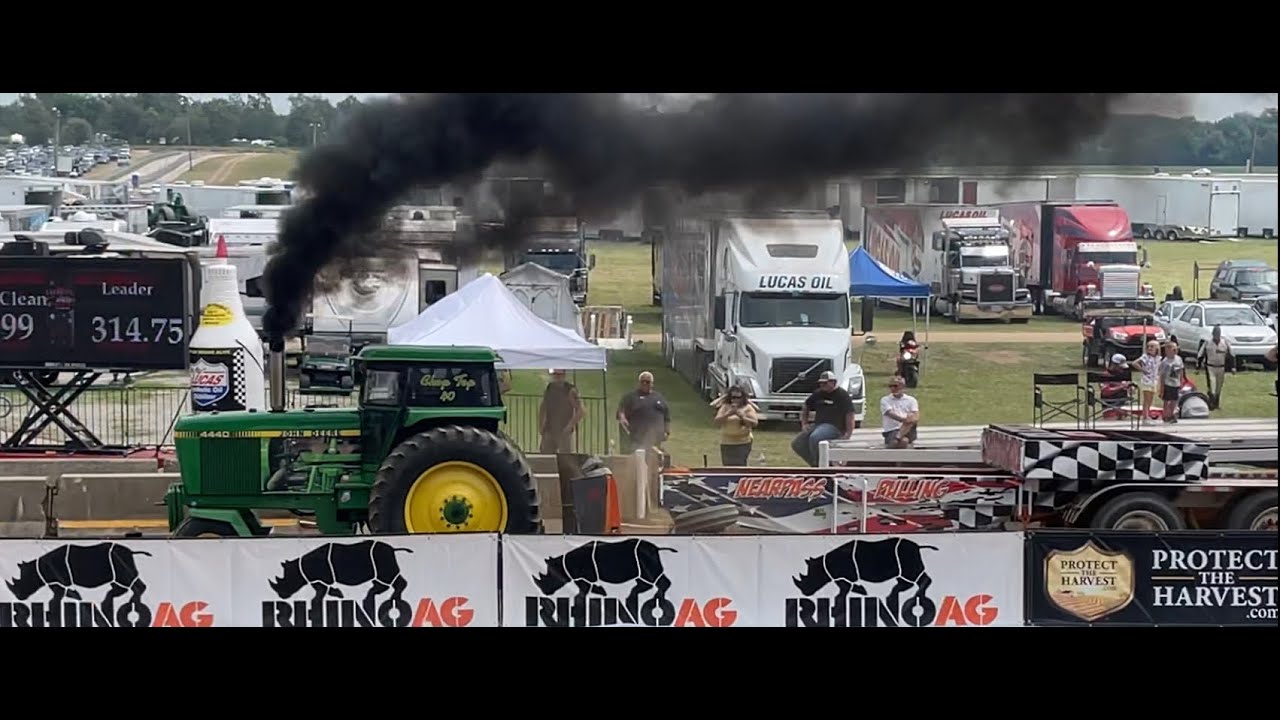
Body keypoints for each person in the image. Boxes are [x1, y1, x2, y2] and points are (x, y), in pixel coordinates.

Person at [791, 370, 855, 466]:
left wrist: (848, 434)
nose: (822, 385)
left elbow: (850, 414)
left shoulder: (842, 395)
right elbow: (806, 406)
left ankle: (820, 466)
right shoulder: (818, 394)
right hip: (818, 425)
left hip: (835, 427)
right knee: (797, 443)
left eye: (825, 383)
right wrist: (804, 423)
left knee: (815, 437)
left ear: (833, 382)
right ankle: (817, 464)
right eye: (821, 383)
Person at [617, 371, 670, 454]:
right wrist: (622, 417)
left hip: (656, 441)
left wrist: (667, 431)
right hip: (637, 440)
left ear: (652, 384)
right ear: (639, 383)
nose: (645, 383)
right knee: (638, 462)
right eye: (642, 381)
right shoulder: (630, 397)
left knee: (655, 463)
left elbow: (666, 416)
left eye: (647, 382)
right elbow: (621, 410)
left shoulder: (659, 397)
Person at [538, 369, 585, 453]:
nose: (556, 377)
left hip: (564, 431)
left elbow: (581, 410)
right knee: (545, 456)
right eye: (555, 374)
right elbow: (543, 406)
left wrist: (569, 426)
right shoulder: (550, 387)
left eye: (559, 375)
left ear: (564, 375)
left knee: (565, 458)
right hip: (549, 429)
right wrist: (541, 424)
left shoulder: (570, 390)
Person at [712, 385, 758, 465]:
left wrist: (742, 416)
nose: (735, 400)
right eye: (733, 397)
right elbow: (717, 421)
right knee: (727, 467)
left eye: (738, 397)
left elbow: (754, 424)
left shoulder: (748, 408)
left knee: (740, 465)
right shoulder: (725, 407)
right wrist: (728, 414)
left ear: (743, 397)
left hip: (743, 442)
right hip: (726, 442)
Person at [1196, 325, 1233, 410]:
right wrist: (1198, 367)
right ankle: (1211, 403)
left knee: (1218, 387)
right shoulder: (1208, 343)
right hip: (1210, 367)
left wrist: (1232, 367)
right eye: (1215, 333)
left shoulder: (1225, 342)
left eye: (1218, 333)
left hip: (1221, 367)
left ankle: (1217, 403)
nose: (1217, 335)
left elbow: (1231, 355)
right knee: (1212, 386)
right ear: (1213, 334)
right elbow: (1200, 355)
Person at [880, 375, 920, 448]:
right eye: (890, 386)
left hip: (909, 429)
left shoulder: (911, 400)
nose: (893, 388)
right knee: (904, 441)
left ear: (903, 387)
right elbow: (889, 413)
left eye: (895, 386)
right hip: (892, 430)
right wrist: (904, 420)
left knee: (911, 416)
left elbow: (916, 417)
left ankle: (897, 438)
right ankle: (898, 438)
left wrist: (908, 420)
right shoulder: (885, 400)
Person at [1131, 340, 1161, 424]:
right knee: (1146, 399)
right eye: (1148, 346)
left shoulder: (1158, 358)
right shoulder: (1145, 357)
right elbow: (1134, 363)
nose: (1150, 348)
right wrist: (1142, 370)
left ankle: (1148, 415)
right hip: (1147, 380)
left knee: (1151, 399)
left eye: (1152, 346)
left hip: (1154, 380)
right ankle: (1145, 417)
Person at [1157, 341, 1184, 423]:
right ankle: (1165, 415)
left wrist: (1181, 381)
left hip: (1176, 383)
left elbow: (1181, 370)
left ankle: (1171, 414)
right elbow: (1162, 375)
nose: (1176, 351)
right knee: (1166, 400)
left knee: (1174, 400)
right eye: (1174, 349)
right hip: (1167, 383)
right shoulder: (1165, 362)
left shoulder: (1179, 359)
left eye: (1176, 349)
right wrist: (1162, 387)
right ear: (1167, 350)